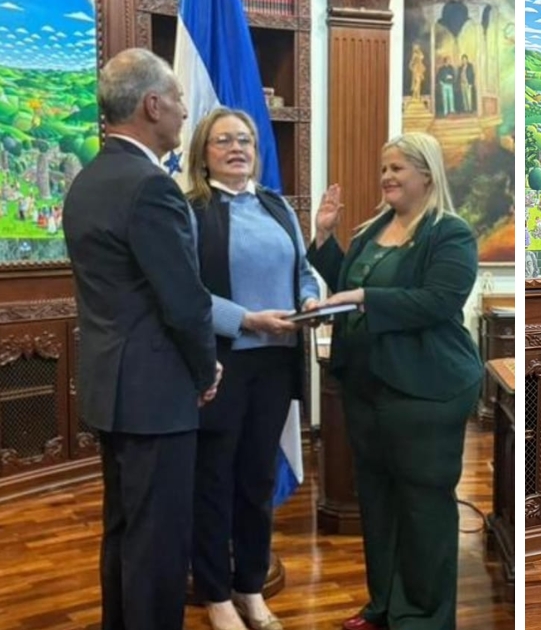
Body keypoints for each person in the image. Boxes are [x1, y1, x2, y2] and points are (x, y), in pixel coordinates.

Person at [62, 47, 220, 630]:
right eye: (177, 98)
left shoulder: (88, 180)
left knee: (125, 534)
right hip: (156, 396)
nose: (184, 110)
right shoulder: (151, 187)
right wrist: (205, 370)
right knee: (158, 548)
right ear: (152, 105)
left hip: (111, 389)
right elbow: (184, 300)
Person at [307, 132, 482, 630]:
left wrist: (365, 299)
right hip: (366, 388)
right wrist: (324, 239)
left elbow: (438, 301)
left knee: (423, 506)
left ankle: (423, 616)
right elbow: (349, 285)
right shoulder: (372, 229)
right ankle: (384, 605)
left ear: (426, 174)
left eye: (397, 168)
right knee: (378, 501)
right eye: (384, 168)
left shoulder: (449, 233)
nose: (386, 176)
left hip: (426, 390)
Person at [184, 107, 321, 630]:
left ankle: (249, 587)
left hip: (276, 363)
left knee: (257, 480)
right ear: (204, 153)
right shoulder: (193, 210)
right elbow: (186, 293)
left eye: (245, 140)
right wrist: (246, 319)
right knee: (213, 481)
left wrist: (309, 301)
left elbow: (302, 270)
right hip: (223, 364)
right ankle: (216, 595)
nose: (237, 148)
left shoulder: (276, 205)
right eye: (224, 140)